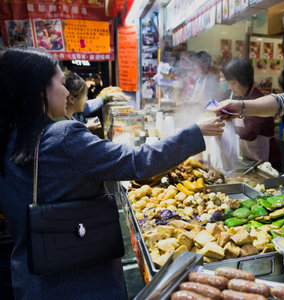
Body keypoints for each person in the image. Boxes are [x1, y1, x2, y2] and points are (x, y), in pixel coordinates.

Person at [0, 47, 225, 299]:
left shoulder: (8, 140)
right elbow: (139, 162)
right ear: (39, 90)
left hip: (31, 280)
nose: (66, 91)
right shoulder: (64, 137)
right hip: (83, 278)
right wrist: (195, 131)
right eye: (61, 82)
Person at [221, 58, 281, 167]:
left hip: (266, 162)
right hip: (250, 158)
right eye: (229, 83)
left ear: (244, 80)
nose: (230, 87)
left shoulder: (257, 99)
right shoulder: (240, 97)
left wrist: (224, 128)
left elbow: (250, 133)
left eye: (233, 83)